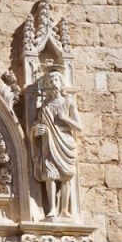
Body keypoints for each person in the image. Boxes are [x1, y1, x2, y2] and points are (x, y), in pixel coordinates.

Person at [30, 70, 81, 218]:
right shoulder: (44, 107)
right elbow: (35, 125)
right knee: (50, 175)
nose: (53, 84)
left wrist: (65, 119)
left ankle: (64, 210)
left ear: (61, 83)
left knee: (66, 176)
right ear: (46, 85)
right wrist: (35, 131)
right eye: (50, 82)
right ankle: (52, 209)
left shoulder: (68, 102)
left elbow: (79, 126)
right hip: (48, 143)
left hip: (65, 142)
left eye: (56, 81)